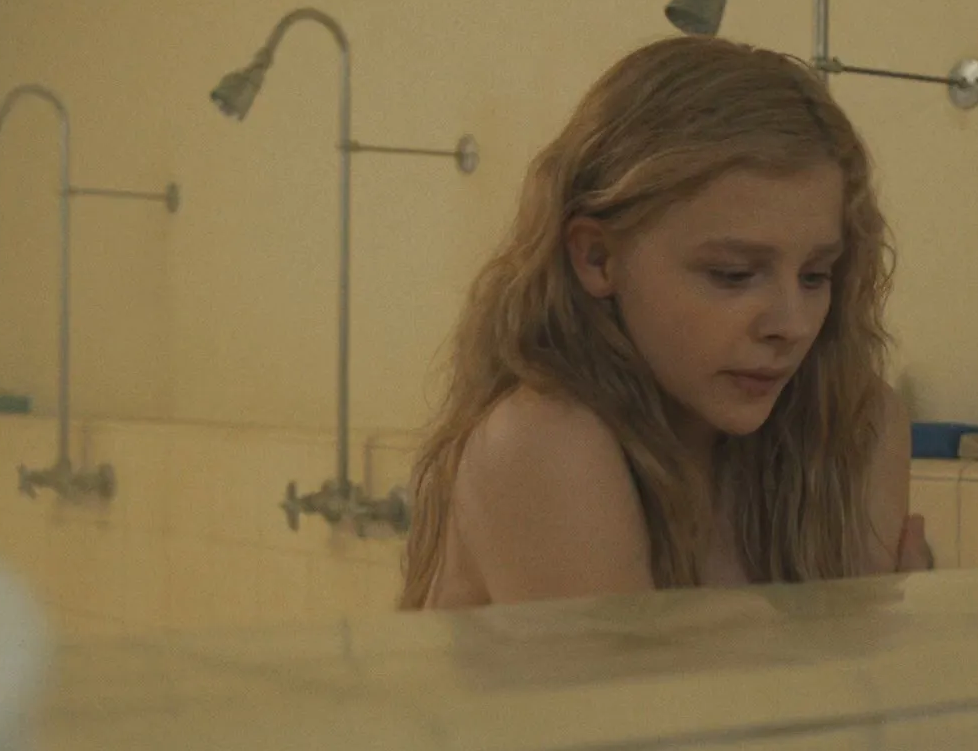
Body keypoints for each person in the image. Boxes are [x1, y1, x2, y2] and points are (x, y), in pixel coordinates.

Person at [399, 35, 931, 611]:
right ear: (598, 258)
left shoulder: (853, 426)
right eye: (732, 274)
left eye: (816, 275)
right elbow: (631, 684)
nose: (792, 324)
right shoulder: (540, 440)